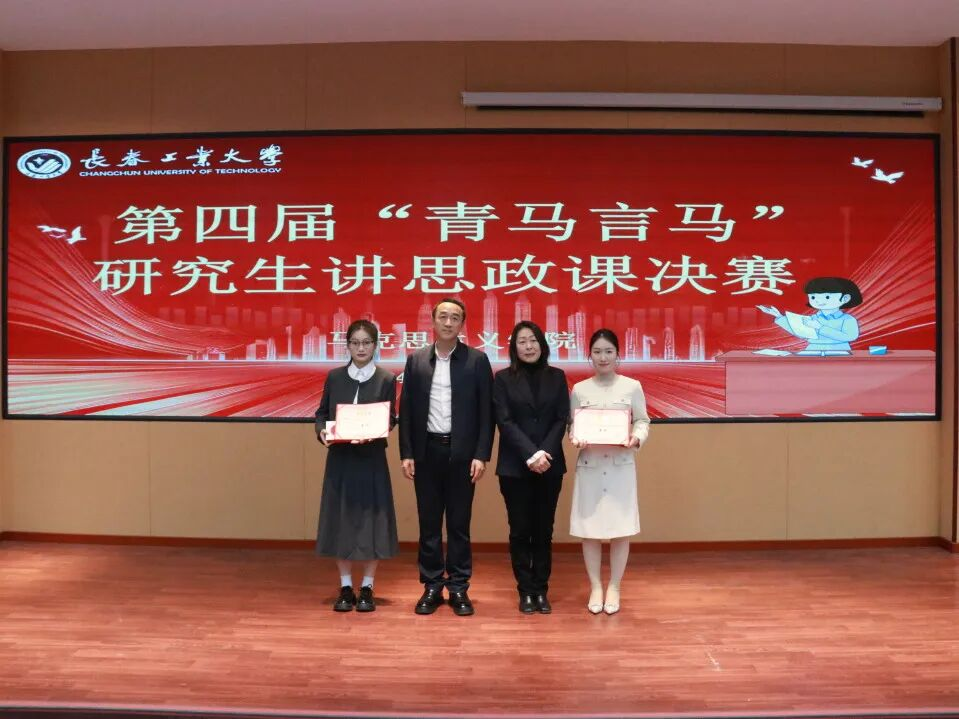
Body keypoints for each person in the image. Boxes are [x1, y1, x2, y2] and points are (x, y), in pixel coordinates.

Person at [399, 297, 494, 616]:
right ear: (433, 321)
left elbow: (487, 413)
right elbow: (406, 410)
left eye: (455, 317)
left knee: (459, 524)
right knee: (428, 524)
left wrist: (481, 454)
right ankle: (431, 585)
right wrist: (407, 452)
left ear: (462, 324)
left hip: (463, 454)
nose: (448, 322)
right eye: (443, 316)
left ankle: (458, 587)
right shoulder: (416, 360)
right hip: (426, 452)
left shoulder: (477, 361)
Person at [315, 319, 398, 613]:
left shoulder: (386, 378)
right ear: (347, 345)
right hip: (341, 459)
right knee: (342, 521)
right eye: (355, 343)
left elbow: (390, 418)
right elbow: (322, 413)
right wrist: (322, 431)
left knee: (373, 521)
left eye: (366, 343)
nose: (361, 348)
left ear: (375, 345)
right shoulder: (335, 377)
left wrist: (379, 430)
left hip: (371, 459)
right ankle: (346, 585)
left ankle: (368, 587)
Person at [568, 328, 650, 616]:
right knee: (589, 531)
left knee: (620, 530)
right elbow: (572, 424)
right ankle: (595, 586)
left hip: (620, 467)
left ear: (618, 355)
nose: (603, 357)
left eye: (608, 351)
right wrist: (575, 437)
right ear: (589, 355)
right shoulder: (580, 389)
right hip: (590, 466)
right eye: (597, 352)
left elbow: (642, 420)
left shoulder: (632, 387)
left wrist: (636, 438)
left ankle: (614, 586)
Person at [492, 321, 569, 614]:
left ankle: (541, 589)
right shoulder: (502, 379)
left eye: (533, 340)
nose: (528, 346)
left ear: (542, 344)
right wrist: (530, 454)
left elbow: (561, 418)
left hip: (550, 465)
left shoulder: (557, 377)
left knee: (544, 530)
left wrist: (544, 453)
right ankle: (525, 590)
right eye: (522, 341)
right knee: (520, 530)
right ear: (514, 347)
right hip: (515, 467)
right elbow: (504, 421)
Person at [758, 276, 863, 355]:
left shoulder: (848, 319)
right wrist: (779, 317)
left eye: (827, 297)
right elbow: (801, 332)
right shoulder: (813, 318)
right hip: (812, 349)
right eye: (813, 297)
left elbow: (850, 336)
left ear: (845, 298)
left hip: (839, 351)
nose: (818, 301)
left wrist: (820, 328)